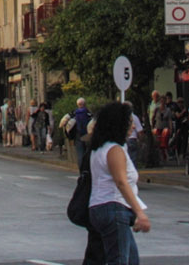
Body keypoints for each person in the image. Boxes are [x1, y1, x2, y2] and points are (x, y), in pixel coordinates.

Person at [86, 101, 150, 265]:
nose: (133, 127)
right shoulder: (114, 150)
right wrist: (140, 213)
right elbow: (121, 182)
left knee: (130, 259)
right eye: (130, 123)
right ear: (119, 124)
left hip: (101, 207)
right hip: (112, 208)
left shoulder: (99, 148)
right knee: (120, 260)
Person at [67, 98, 94, 169]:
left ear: (77, 104)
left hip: (78, 135)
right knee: (88, 153)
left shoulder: (74, 113)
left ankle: (81, 170)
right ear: (85, 104)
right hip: (87, 135)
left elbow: (67, 123)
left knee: (80, 154)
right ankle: (88, 168)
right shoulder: (88, 112)